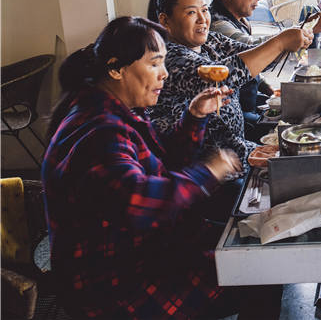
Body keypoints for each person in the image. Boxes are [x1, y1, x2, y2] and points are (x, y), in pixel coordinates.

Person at [41, 16, 284, 319]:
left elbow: (163, 163)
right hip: (115, 282)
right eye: (154, 64)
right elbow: (139, 203)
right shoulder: (99, 131)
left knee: (253, 241)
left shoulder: (116, 111)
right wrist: (207, 173)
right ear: (116, 68)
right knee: (259, 272)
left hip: (146, 251)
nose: (164, 74)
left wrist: (194, 117)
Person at [147, 0, 313, 169]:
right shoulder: (169, 59)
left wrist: (295, 39)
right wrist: (281, 42)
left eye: (204, 10)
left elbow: (253, 53)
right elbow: (225, 77)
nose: (202, 19)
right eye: (191, 12)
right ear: (165, 20)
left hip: (235, 153)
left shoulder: (210, 41)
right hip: (204, 172)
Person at [208, 0, 321, 131]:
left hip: (249, 99)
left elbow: (253, 64)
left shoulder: (239, 19)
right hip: (234, 113)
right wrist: (296, 33)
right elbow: (250, 50)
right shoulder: (217, 25)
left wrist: (265, 87)